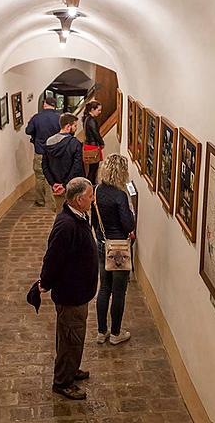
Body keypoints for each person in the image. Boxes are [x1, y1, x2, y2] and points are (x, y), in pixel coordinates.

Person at [39, 178, 98, 400]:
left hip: (80, 292)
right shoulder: (66, 225)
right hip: (71, 294)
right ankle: (63, 381)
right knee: (69, 338)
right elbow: (53, 258)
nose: (93, 200)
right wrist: (44, 282)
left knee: (75, 335)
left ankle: (72, 369)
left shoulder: (79, 216)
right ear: (79, 199)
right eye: (90, 196)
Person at [91, 154, 135, 345]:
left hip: (102, 243)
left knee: (104, 288)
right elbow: (128, 225)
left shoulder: (97, 190)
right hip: (119, 249)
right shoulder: (120, 195)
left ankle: (102, 331)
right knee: (119, 291)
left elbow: (94, 221)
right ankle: (116, 333)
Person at [42, 113, 84, 213]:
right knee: (74, 213)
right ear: (68, 126)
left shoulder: (49, 142)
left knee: (60, 213)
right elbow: (77, 167)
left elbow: (45, 165)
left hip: (56, 186)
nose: (76, 128)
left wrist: (53, 184)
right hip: (72, 185)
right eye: (75, 126)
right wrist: (65, 185)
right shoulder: (75, 143)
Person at [25, 96, 60, 208]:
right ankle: (54, 200)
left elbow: (28, 131)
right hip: (55, 152)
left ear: (45, 104)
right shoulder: (59, 117)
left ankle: (40, 200)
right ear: (54, 105)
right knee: (55, 175)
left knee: (40, 176)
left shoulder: (37, 117)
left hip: (40, 151)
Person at [82, 100, 104, 184]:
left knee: (91, 169)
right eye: (98, 110)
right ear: (92, 109)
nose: (100, 112)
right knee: (93, 170)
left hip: (89, 146)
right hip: (93, 147)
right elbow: (96, 133)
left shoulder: (87, 118)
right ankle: (91, 186)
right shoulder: (91, 120)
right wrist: (102, 143)